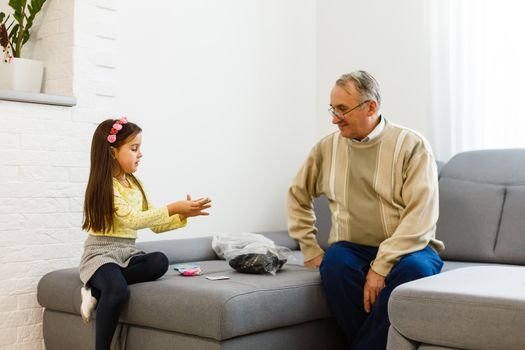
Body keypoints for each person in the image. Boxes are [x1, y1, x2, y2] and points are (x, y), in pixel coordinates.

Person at [287, 71, 445, 349]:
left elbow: (421, 217)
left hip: (412, 249)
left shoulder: (412, 145)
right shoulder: (326, 148)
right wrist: (309, 247)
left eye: (343, 110)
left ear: (371, 107)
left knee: (415, 271)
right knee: (334, 265)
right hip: (352, 247)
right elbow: (297, 194)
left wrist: (380, 267)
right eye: (333, 109)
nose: (334, 118)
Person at [79, 117, 211, 350]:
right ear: (112, 152)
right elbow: (133, 219)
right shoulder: (107, 186)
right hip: (101, 253)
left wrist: (182, 215)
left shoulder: (136, 184)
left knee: (159, 260)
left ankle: (96, 290)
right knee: (118, 289)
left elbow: (155, 223)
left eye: (140, 148)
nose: (140, 154)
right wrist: (172, 207)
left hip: (127, 253)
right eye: (134, 148)